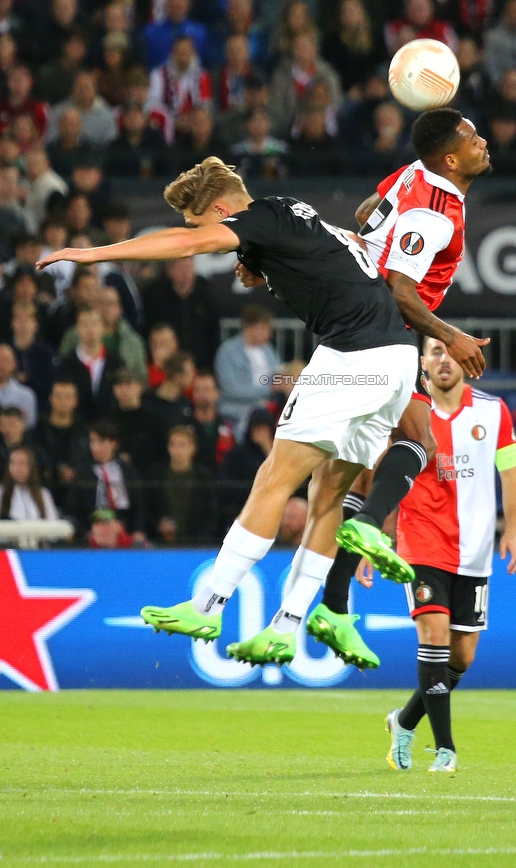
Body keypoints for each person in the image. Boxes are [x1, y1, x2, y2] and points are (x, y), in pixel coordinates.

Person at [36, 154, 427, 655]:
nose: (202, 238)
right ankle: (285, 628)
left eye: (201, 224)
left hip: (351, 355)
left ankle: (208, 607)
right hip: (395, 361)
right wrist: (263, 271)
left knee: (274, 479)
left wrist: (90, 255)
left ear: (222, 212)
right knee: (328, 491)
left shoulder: (260, 217)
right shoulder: (296, 215)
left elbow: (182, 244)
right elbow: (338, 261)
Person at [300, 108, 492, 669]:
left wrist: (382, 229)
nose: (482, 142)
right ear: (451, 158)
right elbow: (401, 288)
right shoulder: (435, 214)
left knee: (366, 465)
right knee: (412, 446)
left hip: (361, 325)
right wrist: (451, 336)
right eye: (471, 138)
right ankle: (354, 544)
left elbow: (367, 212)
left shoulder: (412, 175)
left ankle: (334, 602)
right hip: (384, 332)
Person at [381, 336, 516, 774]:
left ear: (466, 360)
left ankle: (404, 721)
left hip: (475, 549)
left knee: (462, 656)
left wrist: (513, 531)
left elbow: (511, 474)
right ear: (422, 362)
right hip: (421, 539)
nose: (444, 359)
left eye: (450, 351)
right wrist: (377, 535)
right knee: (434, 637)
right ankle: (445, 749)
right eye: (434, 351)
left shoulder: (492, 411)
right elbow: (383, 474)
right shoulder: (407, 413)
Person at [65, 418, 146, 542]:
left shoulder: (127, 470)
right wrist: (85, 533)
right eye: (92, 441)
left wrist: (138, 530)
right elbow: (73, 509)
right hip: (93, 532)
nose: (95, 447)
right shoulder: (83, 473)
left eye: (101, 441)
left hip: (124, 529)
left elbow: (139, 505)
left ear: (114, 443)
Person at [147, 425, 217, 547]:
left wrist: (202, 540)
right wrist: (158, 524)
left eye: (182, 445)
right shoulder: (156, 474)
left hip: (197, 545)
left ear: (193, 448)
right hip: (161, 543)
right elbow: (147, 509)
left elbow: (212, 512)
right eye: (173, 445)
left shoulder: (204, 477)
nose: (177, 450)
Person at [215, 304, 282, 426]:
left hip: (267, 410)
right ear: (248, 328)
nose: (268, 334)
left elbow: (278, 373)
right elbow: (230, 388)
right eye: (263, 328)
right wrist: (266, 390)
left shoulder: (268, 350)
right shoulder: (228, 351)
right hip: (237, 412)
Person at [54, 305, 122, 421]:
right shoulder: (66, 364)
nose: (90, 329)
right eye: (85, 324)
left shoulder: (116, 363)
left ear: (102, 328)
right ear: (77, 328)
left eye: (94, 323)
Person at [34, 378, 86, 507]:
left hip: (78, 495)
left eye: (68, 397)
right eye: (58, 396)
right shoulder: (37, 431)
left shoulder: (85, 431)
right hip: (44, 490)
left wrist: (76, 471)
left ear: (75, 401)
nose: (62, 401)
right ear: (51, 398)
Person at [110, 368, 167, 471]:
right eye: (119, 385)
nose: (124, 390)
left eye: (128, 385)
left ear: (140, 387)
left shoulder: (155, 422)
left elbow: (162, 457)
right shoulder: (109, 421)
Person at [0, 446, 58, 547]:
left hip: (38, 549)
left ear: (31, 466)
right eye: (13, 463)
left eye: (22, 463)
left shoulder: (43, 494)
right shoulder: (1, 493)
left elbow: (53, 527)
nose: (17, 468)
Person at [190, 370, 235, 470]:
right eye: (197, 390)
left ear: (216, 393)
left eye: (206, 389)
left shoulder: (226, 428)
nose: (201, 394)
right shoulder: (184, 425)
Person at [142, 351, 195, 431]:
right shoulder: (147, 400)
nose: (193, 376)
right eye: (190, 373)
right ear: (178, 376)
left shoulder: (185, 405)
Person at [0, 342, 37, 428]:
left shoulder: (26, 395)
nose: (1, 365)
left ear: (14, 364)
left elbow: (29, 426)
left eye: (5, 360)